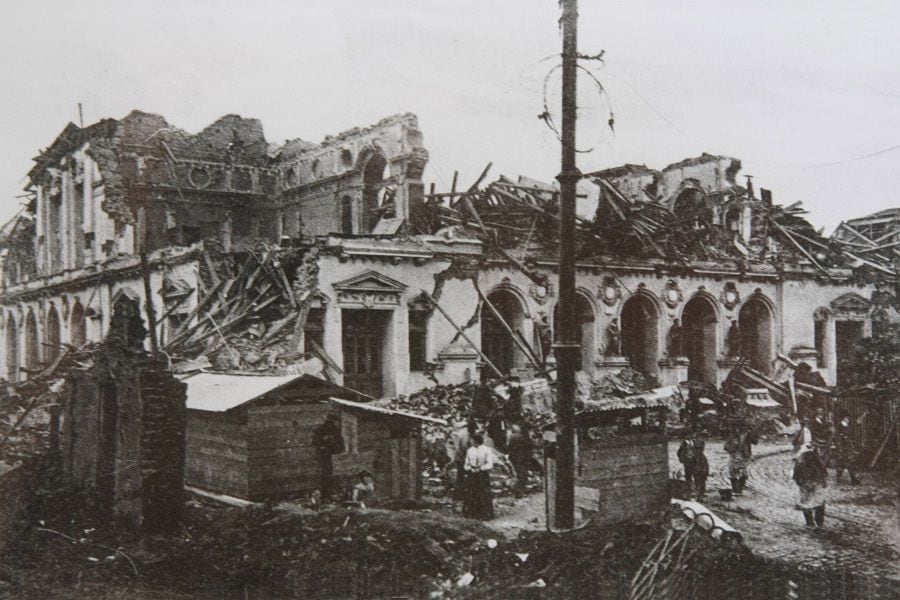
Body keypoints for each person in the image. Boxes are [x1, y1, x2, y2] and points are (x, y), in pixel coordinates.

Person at [794, 443, 828, 528]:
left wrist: (800, 482)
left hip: (805, 484)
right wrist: (823, 482)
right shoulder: (818, 462)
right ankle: (819, 522)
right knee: (819, 502)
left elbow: (796, 475)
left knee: (806, 503)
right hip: (817, 483)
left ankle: (810, 523)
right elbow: (824, 472)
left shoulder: (800, 463)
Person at [312, 412, 345, 501]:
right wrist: (324, 442)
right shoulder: (321, 430)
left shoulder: (335, 430)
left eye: (332, 421)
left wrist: (335, 447)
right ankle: (324, 494)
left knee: (328, 474)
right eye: (330, 420)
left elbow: (341, 444)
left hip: (332, 455)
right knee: (324, 474)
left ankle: (329, 494)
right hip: (324, 455)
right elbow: (315, 442)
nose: (331, 423)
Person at [463, 432, 495, 520]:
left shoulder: (487, 450)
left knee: (483, 493)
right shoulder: (470, 450)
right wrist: (469, 468)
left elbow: (490, 464)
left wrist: (481, 469)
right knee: (472, 492)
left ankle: (485, 514)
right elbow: (466, 463)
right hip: (472, 474)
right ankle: (472, 513)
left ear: (476, 441)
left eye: (472, 440)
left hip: (482, 474)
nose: (471, 442)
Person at [507, 422, 534, 498]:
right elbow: (529, 448)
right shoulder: (526, 437)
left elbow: (509, 448)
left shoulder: (513, 436)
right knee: (522, 475)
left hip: (515, 458)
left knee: (517, 474)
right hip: (523, 458)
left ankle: (517, 491)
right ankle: (520, 491)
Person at [832, 413, 860, 485]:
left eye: (848, 418)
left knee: (850, 462)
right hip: (841, 448)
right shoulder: (839, 426)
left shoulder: (848, 426)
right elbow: (836, 437)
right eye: (846, 418)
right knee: (840, 463)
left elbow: (850, 436)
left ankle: (853, 479)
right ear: (843, 418)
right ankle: (839, 479)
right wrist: (841, 441)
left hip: (847, 447)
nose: (848, 419)